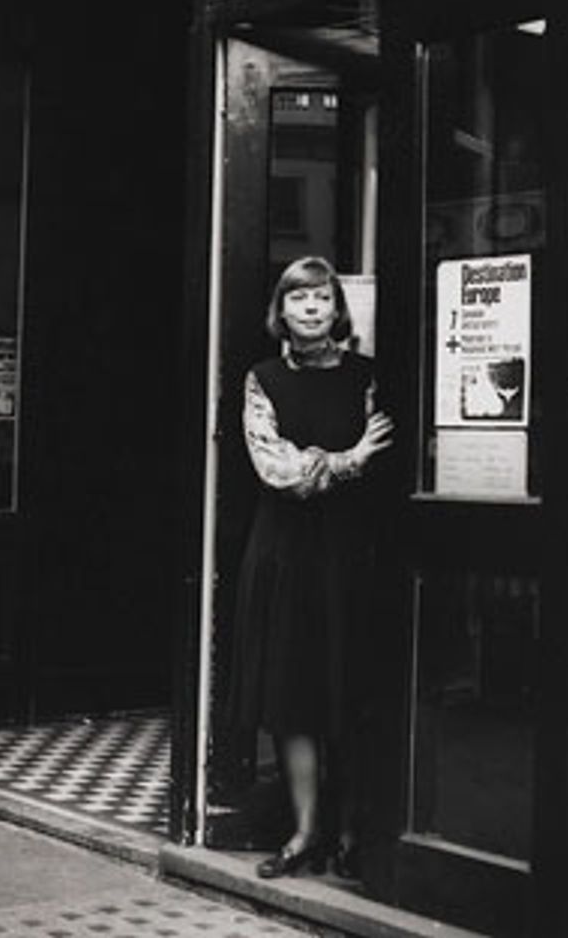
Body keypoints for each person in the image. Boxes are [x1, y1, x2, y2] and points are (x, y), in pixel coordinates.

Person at [229, 257, 393, 880]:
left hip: (348, 554)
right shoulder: (262, 379)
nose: (311, 309)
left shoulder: (369, 377)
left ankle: (350, 833)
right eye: (298, 299)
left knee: (346, 693)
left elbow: (384, 454)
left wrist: (325, 463)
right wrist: (345, 461)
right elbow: (276, 469)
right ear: (282, 310)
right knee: (292, 697)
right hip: (285, 554)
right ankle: (304, 833)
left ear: (337, 308)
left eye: (322, 298)